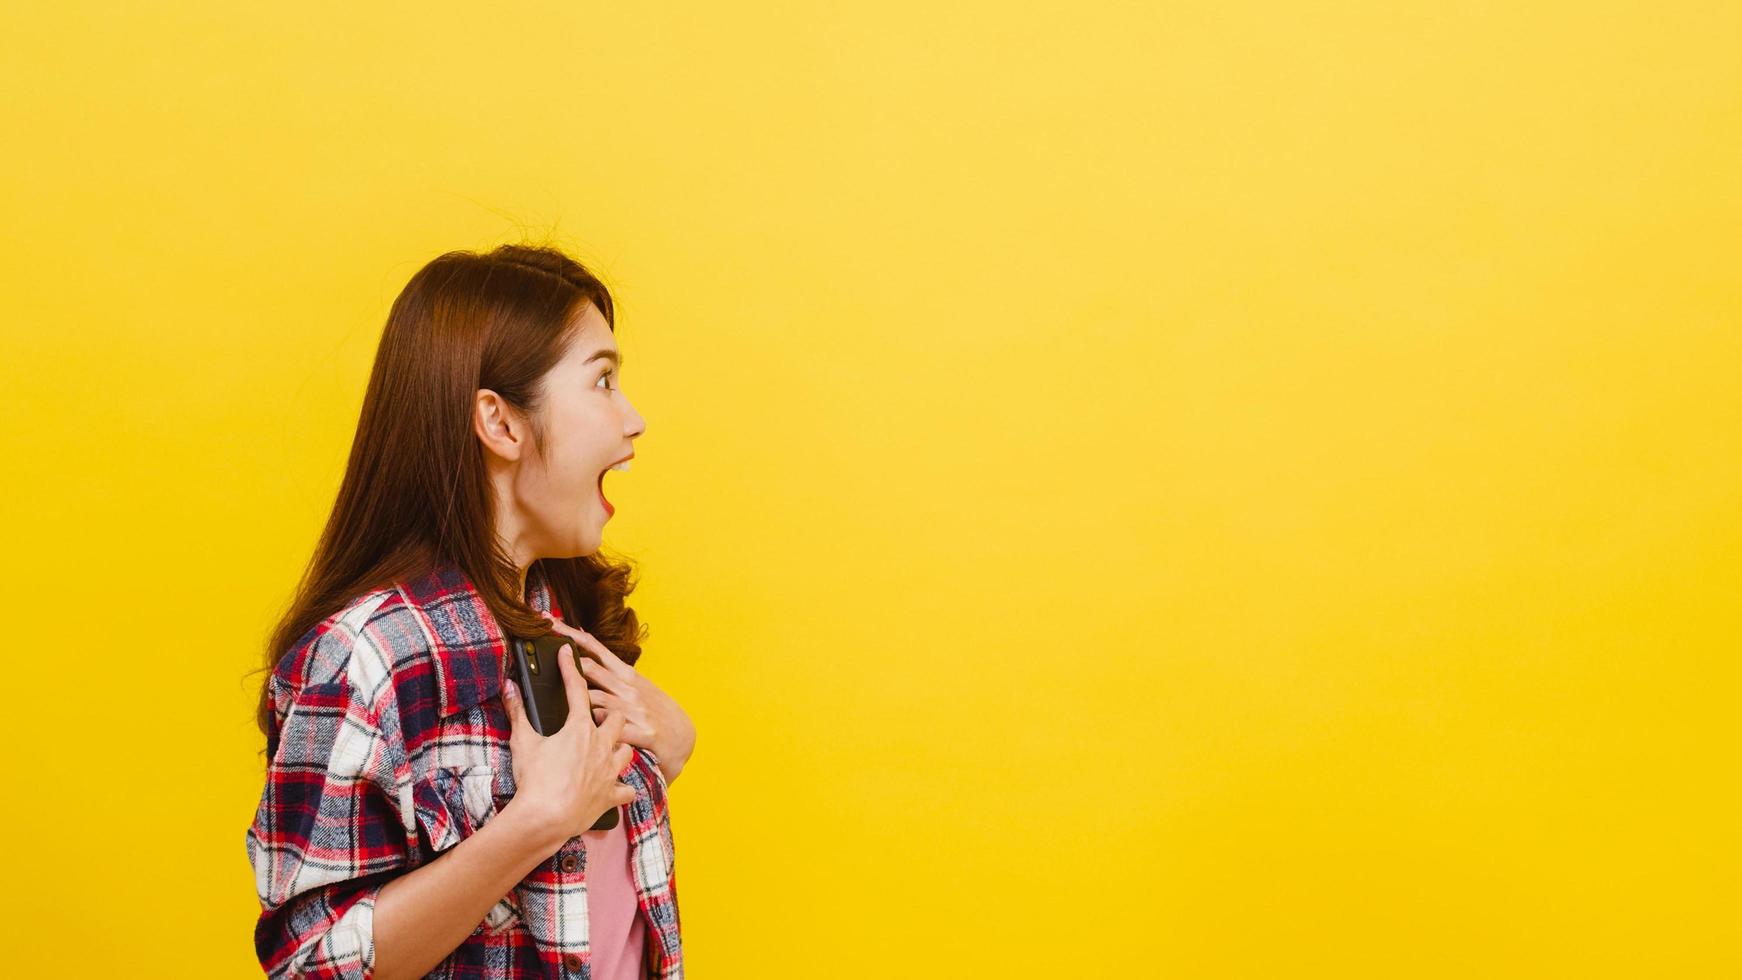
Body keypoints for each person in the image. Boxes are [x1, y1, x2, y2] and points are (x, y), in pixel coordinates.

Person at [243, 243, 695, 979]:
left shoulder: (561, 621)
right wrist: (531, 825)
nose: (634, 418)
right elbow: (310, 965)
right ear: (501, 423)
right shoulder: (362, 659)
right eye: (603, 381)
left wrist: (666, 751)